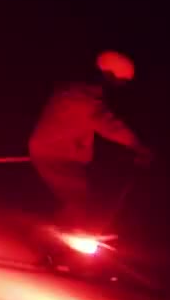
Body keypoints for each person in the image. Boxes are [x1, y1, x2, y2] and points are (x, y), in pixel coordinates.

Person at [28, 50, 153, 231]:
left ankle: (64, 230)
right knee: (77, 196)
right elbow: (108, 124)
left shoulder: (77, 91)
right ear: (110, 75)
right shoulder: (84, 100)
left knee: (79, 195)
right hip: (55, 154)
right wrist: (137, 145)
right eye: (122, 81)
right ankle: (60, 234)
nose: (122, 86)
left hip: (55, 150)